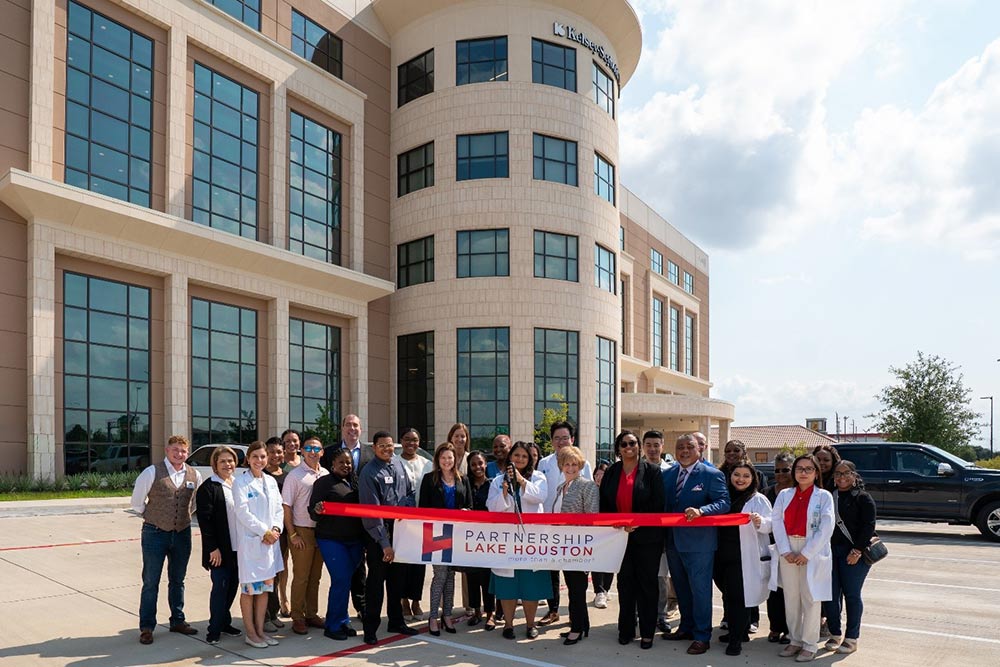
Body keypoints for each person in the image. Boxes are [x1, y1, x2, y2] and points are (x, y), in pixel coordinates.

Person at [662, 433, 730, 656]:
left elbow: (723, 503)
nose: (684, 451)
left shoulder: (712, 474)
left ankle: (702, 636)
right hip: (673, 541)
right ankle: (686, 627)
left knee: (700, 591)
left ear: (699, 449)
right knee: (681, 588)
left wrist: (702, 512)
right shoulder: (668, 474)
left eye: (689, 447)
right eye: (679, 447)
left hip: (700, 543)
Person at [131, 434, 202, 645]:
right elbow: (137, 502)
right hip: (155, 533)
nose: (179, 454)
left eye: (183, 451)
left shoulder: (194, 474)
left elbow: (195, 503)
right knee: (151, 581)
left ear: (187, 452)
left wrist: (182, 518)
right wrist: (154, 516)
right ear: (167, 451)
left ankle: (177, 620)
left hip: (182, 533)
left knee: (178, 580)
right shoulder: (152, 472)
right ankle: (146, 627)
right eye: (175, 450)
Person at [599, 430, 665, 649]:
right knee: (625, 584)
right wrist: (613, 523)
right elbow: (605, 503)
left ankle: (647, 632)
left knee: (647, 585)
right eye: (624, 444)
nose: (629, 447)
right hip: (619, 537)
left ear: (639, 446)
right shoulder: (611, 472)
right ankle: (625, 629)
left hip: (647, 538)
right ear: (618, 448)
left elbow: (658, 504)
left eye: (633, 443)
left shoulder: (653, 471)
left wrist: (638, 522)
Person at [771, 454, 835, 662]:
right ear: (794, 472)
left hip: (812, 550)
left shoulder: (823, 496)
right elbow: (777, 522)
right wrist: (785, 550)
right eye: (800, 468)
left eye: (809, 469)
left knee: (811, 597)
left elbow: (826, 527)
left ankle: (809, 643)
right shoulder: (784, 495)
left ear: (816, 473)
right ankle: (795, 639)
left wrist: (807, 553)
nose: (804, 472)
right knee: (791, 597)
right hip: (789, 548)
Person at [358, 431, 419, 644]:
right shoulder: (369, 473)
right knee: (376, 583)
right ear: (374, 448)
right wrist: (385, 544)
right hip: (379, 535)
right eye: (382, 446)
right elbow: (371, 514)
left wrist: (407, 511)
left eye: (390, 445)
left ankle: (396, 621)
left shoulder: (399, 465)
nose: (387, 449)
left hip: (400, 530)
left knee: (397, 581)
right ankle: (370, 628)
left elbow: (410, 493)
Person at [487, 440, 551, 640]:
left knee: (530, 584)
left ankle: (531, 624)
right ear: (510, 458)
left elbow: (540, 497)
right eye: (516, 456)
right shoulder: (498, 480)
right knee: (507, 584)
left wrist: (522, 481)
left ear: (530, 459)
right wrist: (504, 494)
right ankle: (508, 624)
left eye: (524, 456)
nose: (520, 459)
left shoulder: (538, 477)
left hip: (531, 540)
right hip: (507, 540)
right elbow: (492, 506)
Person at [712, 461, 773, 656]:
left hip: (745, 557)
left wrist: (759, 521)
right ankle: (738, 631)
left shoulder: (759, 499)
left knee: (739, 598)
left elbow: (771, 525)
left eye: (746, 476)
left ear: (753, 478)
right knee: (728, 596)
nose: (741, 479)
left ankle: (736, 641)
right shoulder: (723, 497)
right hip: (722, 555)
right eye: (737, 475)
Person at [536, 420, 593, 627]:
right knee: (551, 570)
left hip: (574, 529)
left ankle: (576, 615)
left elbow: (588, 493)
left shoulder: (583, 463)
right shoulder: (544, 463)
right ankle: (552, 610)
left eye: (565, 438)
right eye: (557, 438)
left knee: (574, 575)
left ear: (573, 439)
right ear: (552, 441)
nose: (561, 442)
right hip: (549, 525)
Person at [309, 448, 365, 641]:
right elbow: (313, 511)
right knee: (341, 579)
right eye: (341, 462)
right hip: (331, 539)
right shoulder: (323, 483)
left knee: (347, 581)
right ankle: (332, 625)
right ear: (332, 464)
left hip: (355, 540)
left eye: (348, 462)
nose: (345, 466)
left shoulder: (356, 482)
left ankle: (343, 619)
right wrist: (317, 509)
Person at [233, 441, 285, 649]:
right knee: (249, 590)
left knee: (264, 590)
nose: (259, 460)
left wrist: (276, 530)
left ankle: (261, 632)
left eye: (263, 457)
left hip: (270, 543)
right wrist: (264, 531)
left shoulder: (271, 481)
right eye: (255, 457)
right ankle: (251, 633)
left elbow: (279, 509)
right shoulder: (240, 482)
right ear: (248, 459)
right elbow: (242, 512)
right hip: (253, 543)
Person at [823, 460, 876, 655]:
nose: (841, 477)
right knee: (830, 595)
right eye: (838, 474)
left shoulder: (863, 498)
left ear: (854, 475)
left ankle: (852, 638)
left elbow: (869, 526)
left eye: (846, 473)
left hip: (854, 553)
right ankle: (835, 633)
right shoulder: (829, 497)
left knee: (851, 595)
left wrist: (857, 551)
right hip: (830, 552)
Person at [419, 442, 473, 635]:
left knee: (451, 577)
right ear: (437, 460)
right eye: (443, 458)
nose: (447, 461)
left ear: (455, 459)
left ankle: (447, 615)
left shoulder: (463, 479)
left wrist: (466, 511)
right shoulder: (429, 479)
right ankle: (433, 617)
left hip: (457, 533)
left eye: (450, 457)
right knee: (440, 575)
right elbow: (422, 508)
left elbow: (469, 504)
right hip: (436, 532)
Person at [550, 445, 599, 645]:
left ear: (580, 465)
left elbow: (592, 516)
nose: (570, 468)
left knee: (577, 589)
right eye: (566, 464)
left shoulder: (587, 485)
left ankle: (577, 629)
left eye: (574, 464)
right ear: (561, 466)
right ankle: (581, 625)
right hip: (563, 546)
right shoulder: (560, 487)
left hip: (579, 546)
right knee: (571, 587)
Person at [196, 446, 244, 644]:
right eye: (223, 461)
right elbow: (205, 521)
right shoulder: (209, 487)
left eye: (230, 460)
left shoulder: (238, 484)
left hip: (239, 548)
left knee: (232, 587)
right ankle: (214, 629)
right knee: (220, 588)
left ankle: (225, 622)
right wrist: (212, 548)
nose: (227, 464)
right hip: (220, 550)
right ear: (215, 464)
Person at [281, 436, 329, 634]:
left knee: (315, 576)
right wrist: (292, 534)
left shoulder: (326, 474)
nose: (312, 451)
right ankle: (298, 616)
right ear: (302, 451)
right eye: (308, 448)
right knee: (301, 576)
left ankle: (311, 613)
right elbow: (286, 507)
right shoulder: (295, 475)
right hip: (302, 530)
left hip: (322, 532)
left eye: (316, 448)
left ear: (322, 452)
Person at [398, 428, 432, 622]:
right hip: (401, 522)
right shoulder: (394, 463)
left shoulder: (427, 464)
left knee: (419, 564)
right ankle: (403, 600)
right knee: (403, 562)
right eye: (407, 439)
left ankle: (416, 600)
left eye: (415, 440)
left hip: (420, 521)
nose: (411, 443)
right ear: (401, 441)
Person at [641, 430, 673, 634]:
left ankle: (661, 616)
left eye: (656, 445)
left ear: (662, 446)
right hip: (639, 533)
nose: (652, 449)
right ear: (643, 447)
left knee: (662, 577)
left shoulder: (672, 471)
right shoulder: (636, 470)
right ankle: (641, 613)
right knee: (641, 576)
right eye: (648, 445)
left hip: (663, 533)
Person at [764, 452, 794, 644]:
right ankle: (775, 627)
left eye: (785, 470)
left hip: (792, 548)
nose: (781, 474)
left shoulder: (797, 493)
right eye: (777, 470)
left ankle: (789, 630)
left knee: (790, 591)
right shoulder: (766, 493)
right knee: (773, 590)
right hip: (770, 549)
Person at [465, 451, 496, 629]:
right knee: (472, 576)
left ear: (486, 464)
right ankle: (477, 611)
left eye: (480, 463)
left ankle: (490, 613)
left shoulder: (493, 484)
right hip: (469, 536)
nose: (477, 467)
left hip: (488, 537)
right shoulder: (465, 483)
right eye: (474, 464)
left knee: (487, 577)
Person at [591, 458, 614, 609]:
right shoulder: (590, 490)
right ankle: (599, 591)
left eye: (603, 474)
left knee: (610, 563)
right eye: (597, 474)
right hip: (594, 533)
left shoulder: (612, 491)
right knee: (596, 562)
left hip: (611, 533)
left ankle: (606, 589)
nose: (599, 478)